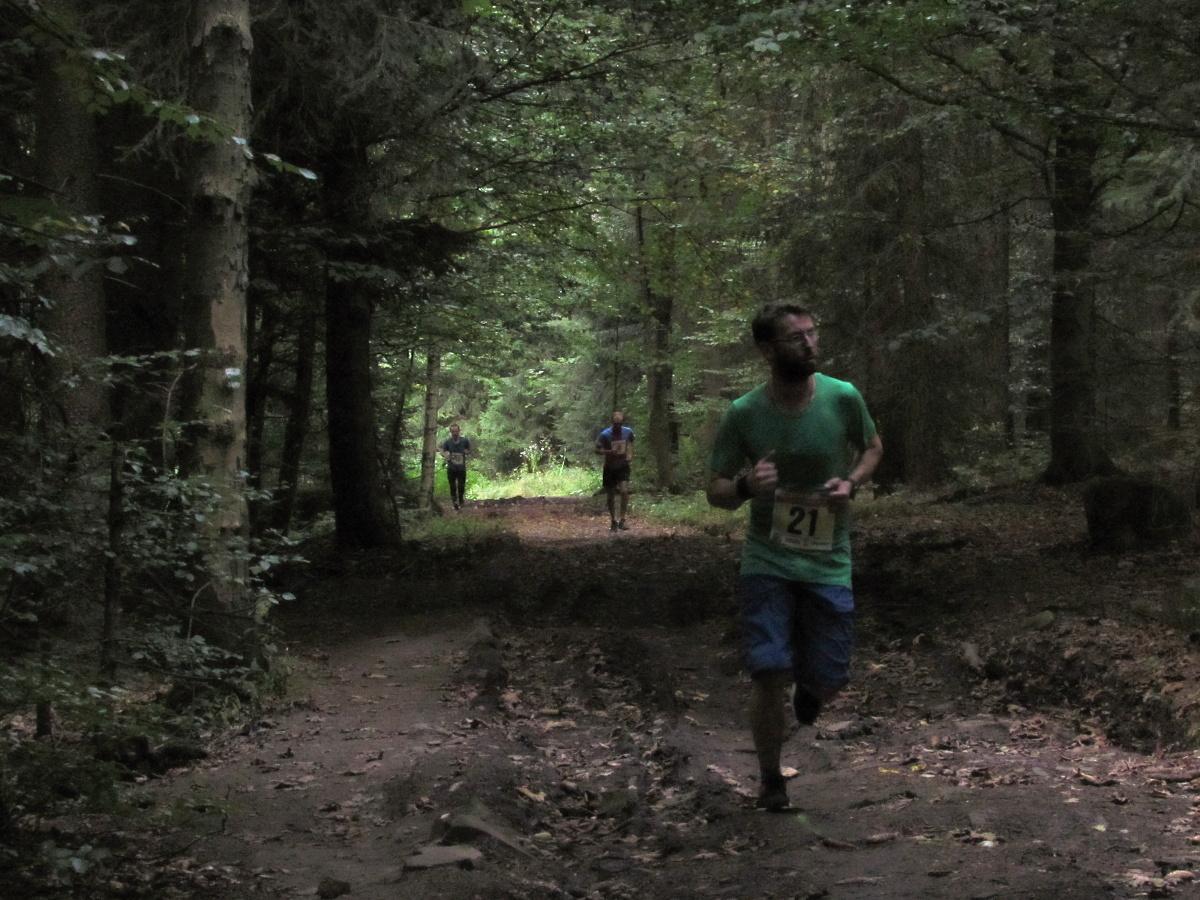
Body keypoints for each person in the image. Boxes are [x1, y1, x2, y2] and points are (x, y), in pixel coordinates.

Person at [706, 303, 883, 811]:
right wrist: (745, 485)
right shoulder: (744, 413)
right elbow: (715, 490)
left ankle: (811, 688)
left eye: (812, 333)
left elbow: (872, 447)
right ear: (767, 351)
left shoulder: (842, 397)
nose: (809, 344)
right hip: (768, 559)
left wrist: (851, 482)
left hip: (829, 559)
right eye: (795, 337)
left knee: (829, 676)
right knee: (767, 671)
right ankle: (771, 782)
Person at [596, 411, 634, 531]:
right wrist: (608, 452)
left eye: (620, 423)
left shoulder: (628, 432)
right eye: (615, 423)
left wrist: (629, 455)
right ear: (612, 422)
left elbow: (630, 444)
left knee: (624, 491)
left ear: (622, 422)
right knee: (611, 495)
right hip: (610, 467)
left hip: (623, 466)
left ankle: (622, 519)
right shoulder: (605, 434)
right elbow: (597, 450)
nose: (617, 425)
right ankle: (613, 520)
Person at [440, 423, 471, 510]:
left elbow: (469, 450)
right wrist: (446, 455)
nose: (455, 433)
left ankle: (461, 500)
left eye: (456, 431)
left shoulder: (465, 440)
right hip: (451, 468)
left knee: (461, 485)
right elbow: (443, 452)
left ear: (459, 431)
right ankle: (454, 502)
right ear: (450, 432)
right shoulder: (447, 442)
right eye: (453, 431)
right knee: (452, 486)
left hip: (461, 468)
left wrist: (466, 452)